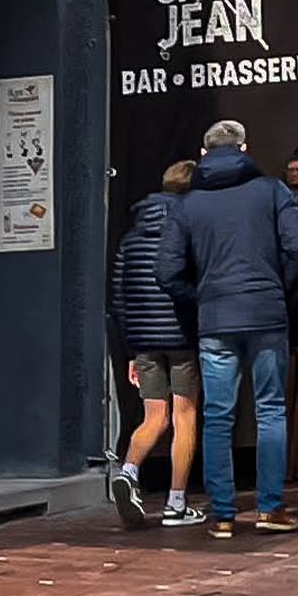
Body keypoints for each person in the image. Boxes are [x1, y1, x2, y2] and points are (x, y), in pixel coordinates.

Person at [157, 119, 298, 538]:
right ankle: (270, 508)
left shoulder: (187, 205)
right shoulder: (272, 191)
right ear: (245, 148)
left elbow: (166, 271)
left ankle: (223, 514)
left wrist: (202, 295)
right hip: (266, 315)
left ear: (204, 154)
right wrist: (279, 288)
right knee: (270, 410)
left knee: (217, 417)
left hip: (215, 321)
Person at [107, 159, 204, 527]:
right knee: (184, 416)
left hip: (144, 342)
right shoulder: (189, 232)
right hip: (182, 338)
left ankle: (128, 471)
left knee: (154, 417)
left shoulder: (131, 239)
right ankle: (176, 503)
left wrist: (132, 349)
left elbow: (119, 296)